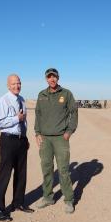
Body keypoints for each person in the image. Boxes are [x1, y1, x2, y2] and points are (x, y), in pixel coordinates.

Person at [34, 68, 78, 214]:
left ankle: (69, 200)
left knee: (63, 170)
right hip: (45, 139)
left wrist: (69, 131)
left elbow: (74, 112)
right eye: (49, 77)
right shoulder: (42, 95)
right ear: (46, 79)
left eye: (54, 77)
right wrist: (37, 133)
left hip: (60, 138)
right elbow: (38, 114)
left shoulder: (66, 94)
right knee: (46, 169)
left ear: (58, 78)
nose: (52, 79)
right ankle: (48, 197)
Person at [0, 74, 34, 222]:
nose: (17, 86)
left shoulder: (22, 100)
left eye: (19, 83)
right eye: (14, 83)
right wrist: (16, 118)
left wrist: (25, 137)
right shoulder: (3, 101)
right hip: (8, 140)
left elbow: (24, 122)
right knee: (4, 174)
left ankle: (18, 203)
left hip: (21, 141)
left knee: (21, 173)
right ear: (8, 85)